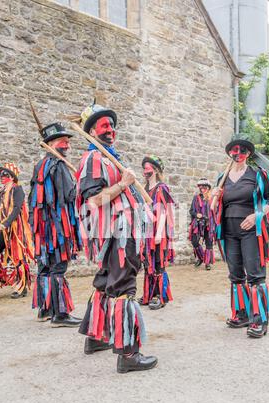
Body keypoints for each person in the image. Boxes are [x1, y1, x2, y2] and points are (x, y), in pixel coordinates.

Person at [75, 102, 158, 373]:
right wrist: (123, 183)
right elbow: (92, 201)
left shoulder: (109, 157)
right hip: (118, 234)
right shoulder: (93, 159)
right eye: (104, 125)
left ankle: (96, 337)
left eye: (112, 125)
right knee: (124, 287)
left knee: (104, 282)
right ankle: (129, 354)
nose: (110, 129)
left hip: (120, 231)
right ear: (92, 131)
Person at [212, 136, 269, 338]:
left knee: (255, 274)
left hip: (252, 230)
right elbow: (215, 207)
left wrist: (258, 215)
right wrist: (214, 196)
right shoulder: (222, 178)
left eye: (242, 150)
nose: (237, 153)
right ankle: (242, 314)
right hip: (229, 231)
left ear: (248, 153)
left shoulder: (258, 175)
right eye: (234, 150)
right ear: (230, 153)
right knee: (236, 275)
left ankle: (260, 320)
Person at [29, 121, 82, 327]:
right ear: (51, 143)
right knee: (58, 267)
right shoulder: (58, 166)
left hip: (43, 229)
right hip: (57, 228)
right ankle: (59, 314)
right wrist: (78, 182)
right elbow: (69, 195)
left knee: (44, 267)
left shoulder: (39, 165)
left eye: (67, 141)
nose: (67, 145)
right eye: (63, 141)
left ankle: (44, 310)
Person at [0, 163, 33, 300]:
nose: (1, 177)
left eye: (4, 175)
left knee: (17, 258)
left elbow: (17, 209)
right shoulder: (2, 193)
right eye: (1, 175)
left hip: (14, 230)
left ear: (12, 177)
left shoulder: (17, 190)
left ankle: (21, 287)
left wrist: (5, 223)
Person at [139, 155, 175, 309]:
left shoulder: (161, 188)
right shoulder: (144, 189)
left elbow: (164, 212)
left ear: (155, 170)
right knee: (148, 262)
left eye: (148, 168)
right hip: (146, 232)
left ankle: (160, 295)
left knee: (159, 262)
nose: (145, 171)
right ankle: (149, 294)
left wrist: (159, 233)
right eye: (144, 168)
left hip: (158, 231)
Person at [189, 178, 215, 270]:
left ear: (208, 188)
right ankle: (201, 258)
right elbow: (191, 211)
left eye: (204, 187)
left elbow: (216, 211)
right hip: (198, 223)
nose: (202, 189)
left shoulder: (212, 198)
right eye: (200, 187)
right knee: (194, 241)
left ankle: (207, 263)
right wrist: (197, 214)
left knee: (209, 242)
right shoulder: (196, 198)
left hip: (209, 224)